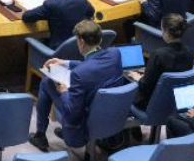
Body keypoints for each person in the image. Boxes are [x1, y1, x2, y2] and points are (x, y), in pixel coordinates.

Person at [29, 20, 124, 151]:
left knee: (46, 81)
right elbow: (94, 64)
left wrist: (64, 91)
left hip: (84, 122)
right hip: (111, 113)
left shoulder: (79, 74)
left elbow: (72, 113)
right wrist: (65, 62)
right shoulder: (115, 54)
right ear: (100, 39)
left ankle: (40, 136)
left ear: (81, 42)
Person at [129, 14, 194, 109]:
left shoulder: (158, 55)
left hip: (152, 103)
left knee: (129, 82)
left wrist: (139, 78)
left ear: (166, 32)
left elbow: (145, 87)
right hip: (175, 100)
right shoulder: (190, 52)